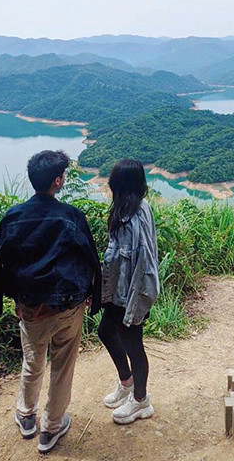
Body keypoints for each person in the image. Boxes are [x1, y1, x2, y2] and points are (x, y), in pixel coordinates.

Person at [0, 150, 102, 454]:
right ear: (58, 181)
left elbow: (3, 265)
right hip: (68, 306)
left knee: (33, 360)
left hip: (32, 309)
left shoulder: (13, 217)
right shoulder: (72, 217)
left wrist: (14, 299)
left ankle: (26, 415)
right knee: (63, 366)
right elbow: (89, 260)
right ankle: (51, 428)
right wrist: (91, 295)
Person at [98, 158, 160, 425]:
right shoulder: (125, 209)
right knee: (105, 331)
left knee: (133, 344)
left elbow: (145, 263)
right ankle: (127, 382)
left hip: (133, 295)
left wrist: (137, 305)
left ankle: (141, 400)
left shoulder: (138, 215)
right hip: (118, 292)